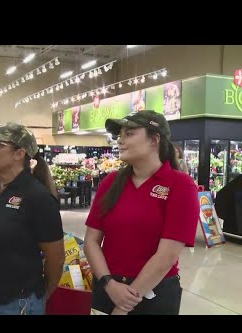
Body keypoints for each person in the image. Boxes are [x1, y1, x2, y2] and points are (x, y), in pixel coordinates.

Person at [83, 110, 199, 315]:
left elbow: (167, 255)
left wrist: (125, 304)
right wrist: (109, 284)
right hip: (107, 288)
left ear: (154, 140)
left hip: (154, 294)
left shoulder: (180, 185)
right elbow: (91, 241)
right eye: (119, 135)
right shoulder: (110, 182)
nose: (120, 141)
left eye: (129, 134)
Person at [0, 122, 65, 315]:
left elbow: (56, 257)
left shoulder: (38, 197)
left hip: (19, 303)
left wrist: (42, 295)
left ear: (19, 154)